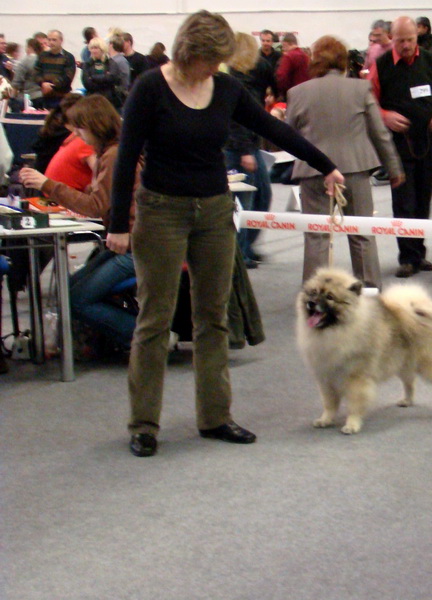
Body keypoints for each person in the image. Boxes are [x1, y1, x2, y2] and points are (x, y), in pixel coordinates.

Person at [106, 10, 345, 458]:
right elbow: (126, 158)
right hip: (161, 212)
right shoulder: (149, 88)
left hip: (215, 210)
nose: (216, 69)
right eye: (211, 60)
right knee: (154, 320)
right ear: (189, 51)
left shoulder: (228, 88)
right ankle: (143, 424)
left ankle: (215, 416)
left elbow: (273, 128)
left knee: (213, 317)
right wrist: (119, 223)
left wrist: (325, 164)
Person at [20, 95, 140, 350]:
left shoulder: (114, 154)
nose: (77, 136)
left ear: (94, 125)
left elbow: (96, 206)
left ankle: (147, 337)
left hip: (136, 248)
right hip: (125, 243)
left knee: (75, 299)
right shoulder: (112, 151)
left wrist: (47, 185)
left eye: (80, 129)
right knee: (69, 288)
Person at [287, 35, 403, 289]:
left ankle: (315, 296)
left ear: (314, 62)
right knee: (362, 234)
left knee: (316, 237)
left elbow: (288, 135)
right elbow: (379, 133)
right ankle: (369, 291)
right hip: (355, 170)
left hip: (313, 172)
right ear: (344, 61)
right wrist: (393, 168)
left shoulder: (296, 93)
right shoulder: (360, 89)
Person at [368, 16, 432, 278]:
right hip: (396, 145)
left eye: (410, 40)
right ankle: (407, 257)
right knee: (403, 201)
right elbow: (369, 103)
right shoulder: (381, 66)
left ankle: (419, 254)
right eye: (400, 40)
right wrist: (384, 116)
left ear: (417, 37)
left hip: (428, 142)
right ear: (391, 39)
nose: (405, 45)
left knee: (423, 199)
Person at [225, 32, 277, 267]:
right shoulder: (234, 80)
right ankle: (239, 252)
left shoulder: (254, 74)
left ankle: (247, 246)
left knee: (262, 197)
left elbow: (272, 78)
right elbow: (236, 119)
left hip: (250, 144)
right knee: (242, 202)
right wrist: (245, 150)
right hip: (238, 148)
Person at [81, 37, 127, 110]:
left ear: (102, 49)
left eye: (96, 48)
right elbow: (87, 83)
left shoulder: (111, 63)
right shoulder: (87, 64)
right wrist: (104, 79)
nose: (93, 51)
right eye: (92, 48)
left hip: (108, 100)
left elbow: (111, 78)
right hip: (91, 99)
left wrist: (93, 77)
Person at [34, 30, 76, 108]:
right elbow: (36, 72)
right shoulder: (43, 56)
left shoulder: (68, 57)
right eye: (49, 40)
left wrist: (52, 86)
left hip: (62, 97)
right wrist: (42, 83)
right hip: (46, 97)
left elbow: (68, 77)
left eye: (54, 40)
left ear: (61, 41)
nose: (51, 42)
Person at [275, 33, 310, 97]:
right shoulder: (306, 57)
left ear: (287, 44)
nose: (283, 49)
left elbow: (281, 76)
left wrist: (281, 92)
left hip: (292, 94)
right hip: (306, 93)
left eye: (283, 46)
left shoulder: (288, 56)